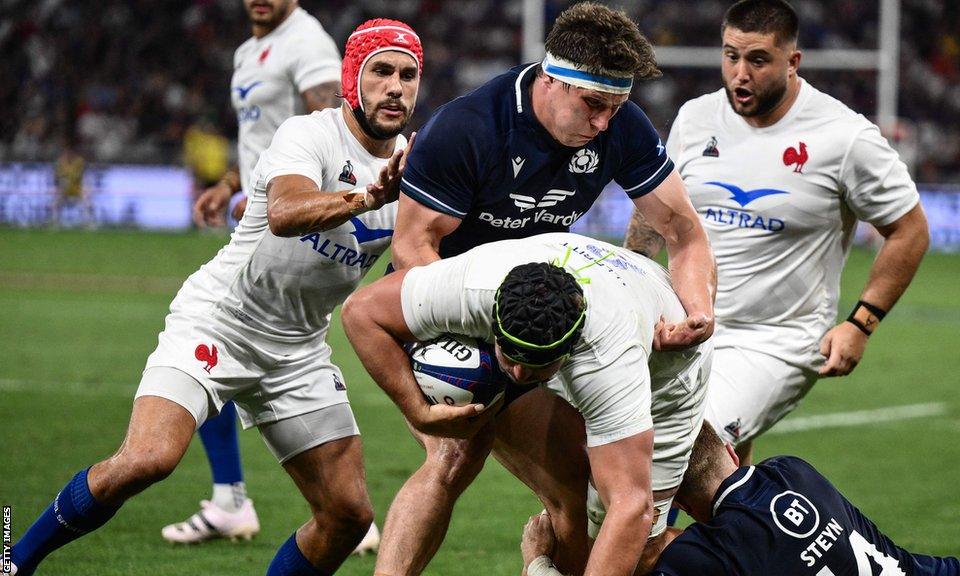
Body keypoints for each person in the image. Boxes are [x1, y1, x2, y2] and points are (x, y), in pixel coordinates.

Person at [4, 18, 421, 576]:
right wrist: (365, 198)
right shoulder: (310, 134)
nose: (395, 86)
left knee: (347, 515)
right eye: (382, 71)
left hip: (298, 349)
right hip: (220, 320)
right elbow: (284, 213)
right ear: (352, 77)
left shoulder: (418, 169)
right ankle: (13, 561)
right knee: (147, 461)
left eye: (409, 75)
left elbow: (410, 272)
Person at [378, 3, 717, 574]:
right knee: (456, 458)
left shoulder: (620, 126)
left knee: (580, 490)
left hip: (548, 311)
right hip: (458, 313)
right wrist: (499, 338)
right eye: (593, 105)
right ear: (552, 78)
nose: (605, 122)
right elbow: (412, 250)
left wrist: (697, 310)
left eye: (617, 107)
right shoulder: (469, 127)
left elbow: (682, 231)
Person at [624, 0, 930, 465]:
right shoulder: (696, 118)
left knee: (674, 446)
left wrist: (861, 323)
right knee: (701, 470)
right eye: (730, 56)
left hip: (777, 340)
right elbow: (654, 211)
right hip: (687, 322)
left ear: (793, 62)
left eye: (758, 59)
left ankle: (626, 539)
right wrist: (634, 291)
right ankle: (734, 536)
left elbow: (910, 229)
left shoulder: (844, 137)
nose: (740, 73)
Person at [342, 232, 714, 576]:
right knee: (474, 462)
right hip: (601, 296)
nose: (517, 374)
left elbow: (631, 506)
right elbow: (361, 312)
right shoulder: (476, 283)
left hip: (668, 368)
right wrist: (418, 411)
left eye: (534, 365)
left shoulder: (608, 363)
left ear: (567, 352)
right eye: (510, 354)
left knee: (641, 552)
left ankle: (755, 550)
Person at [168, 0, 351, 546]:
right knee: (214, 345)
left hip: (289, 220)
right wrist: (230, 182)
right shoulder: (249, 50)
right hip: (258, 211)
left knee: (222, 337)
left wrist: (295, 198)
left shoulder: (307, 42)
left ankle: (331, 510)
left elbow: (335, 124)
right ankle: (239, 501)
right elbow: (260, 138)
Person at [521, 422, 960, 576]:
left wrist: (538, 564)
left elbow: (647, 548)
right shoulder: (793, 472)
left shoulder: (705, 558)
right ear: (733, 450)